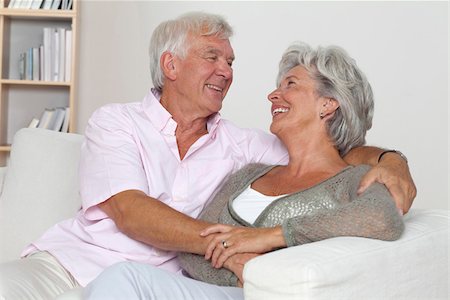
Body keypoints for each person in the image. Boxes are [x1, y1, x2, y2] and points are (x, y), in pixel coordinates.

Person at [0, 12, 415, 300]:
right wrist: (236, 247)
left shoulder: (245, 148)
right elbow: (131, 211)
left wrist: (392, 160)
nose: (227, 70)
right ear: (171, 65)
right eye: (212, 57)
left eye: (230, 61)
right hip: (67, 266)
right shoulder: (116, 122)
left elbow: (327, 150)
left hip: (157, 284)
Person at [84, 41, 405, 299]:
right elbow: (194, 247)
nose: (273, 94)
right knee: (123, 278)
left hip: (280, 293)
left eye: (290, 84)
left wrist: (268, 239)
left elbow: (382, 217)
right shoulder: (248, 173)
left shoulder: (353, 179)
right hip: (227, 290)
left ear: (328, 104)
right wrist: (242, 269)